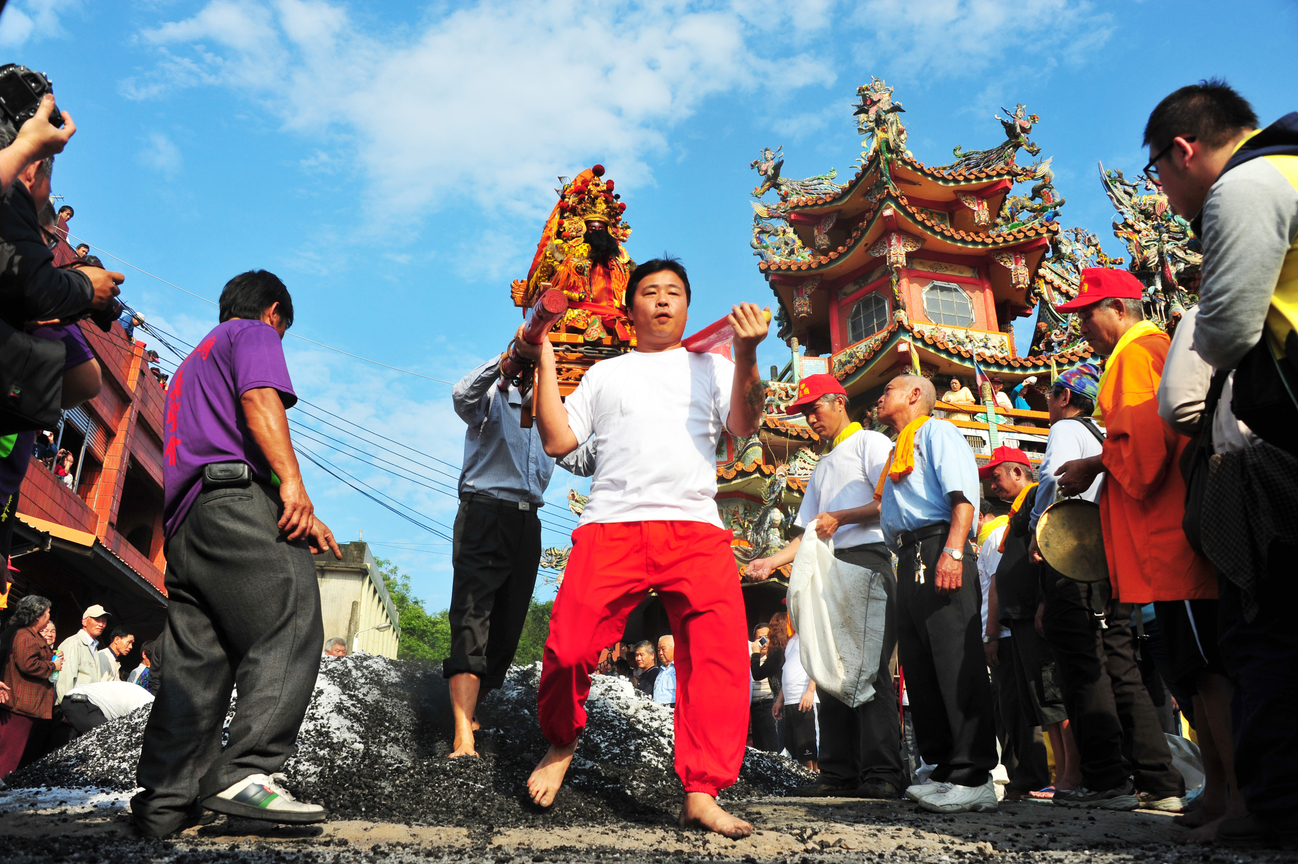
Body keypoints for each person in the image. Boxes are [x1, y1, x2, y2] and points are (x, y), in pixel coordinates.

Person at [518, 257, 767, 838]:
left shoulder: (714, 363)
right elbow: (558, 439)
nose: (661, 301)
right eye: (650, 293)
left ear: (686, 307)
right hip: (613, 525)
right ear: (629, 310)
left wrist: (749, 354)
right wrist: (546, 359)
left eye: (674, 293)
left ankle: (701, 791)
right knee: (569, 647)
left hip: (695, 527)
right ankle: (560, 742)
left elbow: (746, 423)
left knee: (718, 660)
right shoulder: (609, 374)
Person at [131, 270, 341, 837]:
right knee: (291, 617)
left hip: (187, 524)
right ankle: (247, 772)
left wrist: (294, 503)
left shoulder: (190, 366)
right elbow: (259, 399)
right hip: (232, 503)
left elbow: (224, 434)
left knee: (198, 664)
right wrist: (294, 486)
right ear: (273, 312)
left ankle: (164, 803)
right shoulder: (251, 333)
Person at [1144, 80, 1298, 847]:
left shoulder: (1246, 184)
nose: (1165, 195)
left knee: (1266, 628)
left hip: (1282, 440)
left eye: (1159, 176)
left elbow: (1233, 322)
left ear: (1184, 149)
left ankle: (1267, 810)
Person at [1053, 268, 1206, 813]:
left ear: (1118, 308)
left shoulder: (1136, 355)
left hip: (1168, 539)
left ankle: (1233, 796)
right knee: (1188, 671)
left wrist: (1095, 462)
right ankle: (1220, 794)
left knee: (1200, 674)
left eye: (1087, 314)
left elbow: (1142, 461)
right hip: (1163, 538)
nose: (1082, 327)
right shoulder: (1143, 351)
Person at [747, 373, 902, 799]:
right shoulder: (822, 466)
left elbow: (887, 499)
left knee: (868, 669)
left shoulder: (871, 443)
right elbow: (809, 533)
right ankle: (839, 772)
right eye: (804, 412)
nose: (811, 418)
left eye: (816, 407)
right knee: (831, 671)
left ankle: (884, 771)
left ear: (839, 402)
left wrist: (843, 518)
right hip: (828, 567)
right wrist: (771, 560)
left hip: (867, 559)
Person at [445, 350, 592, 761]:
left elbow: (578, 458)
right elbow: (461, 395)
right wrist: (508, 360)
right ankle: (462, 734)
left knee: (509, 629)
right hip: (484, 512)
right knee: (473, 618)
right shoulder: (492, 395)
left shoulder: (552, 413)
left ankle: (471, 708)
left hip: (529, 524)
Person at [874, 374, 998, 814]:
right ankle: (944, 767)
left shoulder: (936, 432)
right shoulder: (898, 447)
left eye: (887, 389)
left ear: (913, 395)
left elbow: (963, 498)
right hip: (908, 555)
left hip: (939, 544)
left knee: (954, 658)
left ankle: (974, 774)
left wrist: (953, 551)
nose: (880, 397)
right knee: (922, 664)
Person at [981, 446, 1074, 800]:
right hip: (1017, 616)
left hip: (1033, 613)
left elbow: (1046, 557)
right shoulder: (1019, 511)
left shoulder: (1039, 498)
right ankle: (1059, 775)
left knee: (1054, 696)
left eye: (997, 476)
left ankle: (1069, 774)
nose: (993, 486)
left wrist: (1041, 603)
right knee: (1041, 701)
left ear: (1019, 472)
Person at [0, 595, 62, 779]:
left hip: (27, 704)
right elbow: (27, 664)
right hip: (19, 702)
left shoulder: (31, 635)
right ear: (37, 616)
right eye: (47, 613)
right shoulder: (25, 635)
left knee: (14, 747)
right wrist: (53, 666)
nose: (49, 617)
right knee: (9, 747)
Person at [775, 622, 817, 771]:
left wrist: (810, 691)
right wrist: (780, 699)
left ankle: (815, 776)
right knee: (797, 747)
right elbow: (787, 671)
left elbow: (818, 664)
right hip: (791, 700)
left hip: (806, 698)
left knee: (810, 747)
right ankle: (804, 779)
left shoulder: (811, 635)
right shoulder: (792, 640)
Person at [54, 605, 111, 706]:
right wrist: (65, 707)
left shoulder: (94, 647)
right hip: (72, 705)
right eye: (97, 620)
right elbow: (65, 678)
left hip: (85, 705)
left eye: (104, 621)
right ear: (84, 622)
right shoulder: (74, 643)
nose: (101, 624)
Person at [748, 624, 778, 753]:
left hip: (769, 705)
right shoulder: (749, 658)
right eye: (759, 638)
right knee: (759, 746)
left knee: (771, 745)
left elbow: (759, 674)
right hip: (753, 708)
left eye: (766, 637)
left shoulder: (773, 658)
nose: (763, 642)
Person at [653, 635, 677, 706]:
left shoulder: (678, 670)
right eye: (658, 650)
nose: (660, 653)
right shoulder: (661, 671)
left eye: (663, 649)